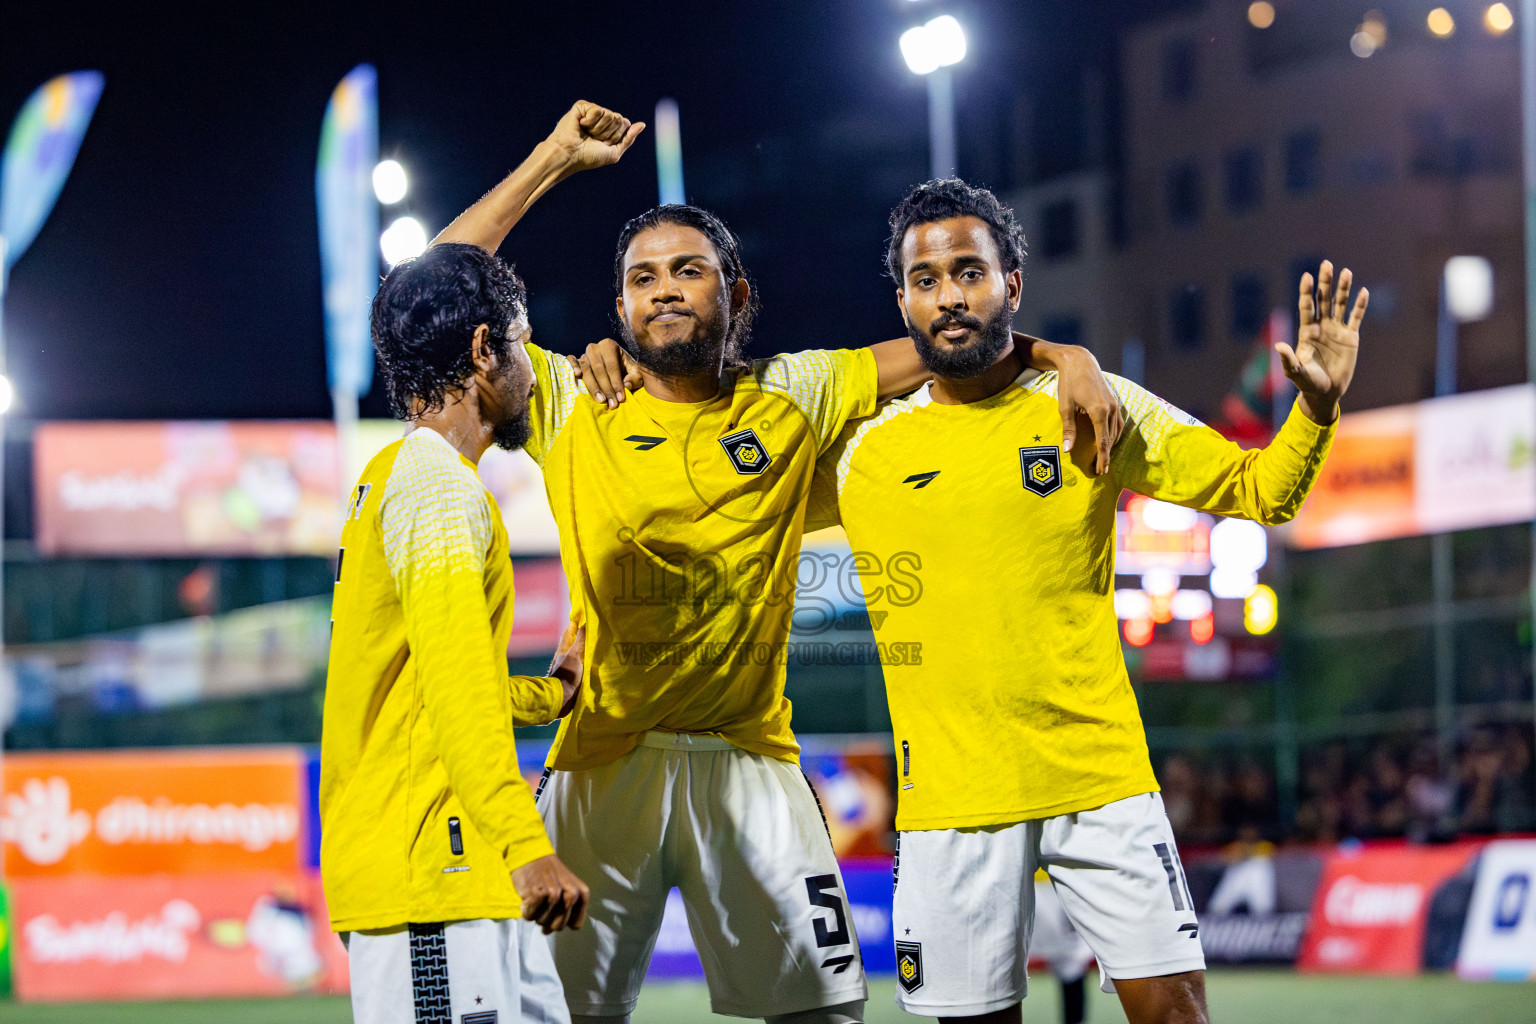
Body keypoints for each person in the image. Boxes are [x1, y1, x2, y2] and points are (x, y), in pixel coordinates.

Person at [430, 109, 1122, 1023]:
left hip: (749, 759)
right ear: (620, 311)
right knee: (549, 1015)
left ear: (737, 293)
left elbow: (953, 339)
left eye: (689, 271)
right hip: (603, 758)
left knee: (828, 1011)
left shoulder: (794, 391)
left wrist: (1066, 355)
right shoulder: (571, 402)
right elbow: (434, 292)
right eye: (642, 279)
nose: (664, 290)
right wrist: (553, 159)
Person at [811, 178, 1367, 1024]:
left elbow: (1262, 491)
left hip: (1099, 777)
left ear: (1013, 287)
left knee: (1178, 1013)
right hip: (951, 801)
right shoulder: (862, 448)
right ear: (902, 303)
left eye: (970, 272)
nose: (950, 296)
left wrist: (1316, 409)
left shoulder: (1091, 406)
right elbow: (723, 503)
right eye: (926, 281)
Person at [318, 99, 647, 1024]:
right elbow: (457, 688)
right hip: (438, 867)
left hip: (459, 868)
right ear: (478, 352)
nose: (528, 363)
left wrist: (552, 694)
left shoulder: (408, 473)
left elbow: (424, 682)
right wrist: (521, 843)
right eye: (517, 340)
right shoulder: (436, 488)